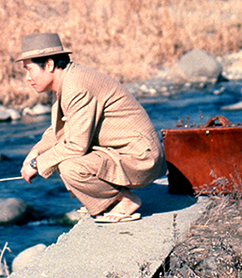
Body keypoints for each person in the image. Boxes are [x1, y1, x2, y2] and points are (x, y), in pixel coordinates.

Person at [16, 32, 167, 223]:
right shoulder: (67, 80)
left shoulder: (76, 86)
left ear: (49, 64)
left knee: (70, 166)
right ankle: (107, 200)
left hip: (140, 158)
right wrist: (35, 152)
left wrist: (37, 165)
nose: (28, 77)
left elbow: (75, 146)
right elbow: (59, 131)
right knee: (64, 159)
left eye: (29, 69)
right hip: (125, 152)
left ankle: (124, 200)